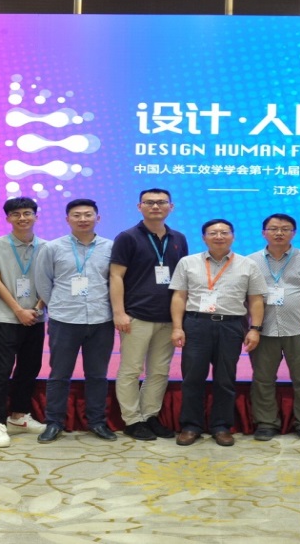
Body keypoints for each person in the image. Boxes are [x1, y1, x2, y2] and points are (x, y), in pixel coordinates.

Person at [169, 219, 267, 447]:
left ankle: (221, 426)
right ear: (204, 237)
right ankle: (191, 426)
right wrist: (177, 327)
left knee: (225, 379)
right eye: (213, 233)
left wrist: (255, 329)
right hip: (196, 324)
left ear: (233, 236)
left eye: (224, 232)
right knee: (192, 378)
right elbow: (179, 297)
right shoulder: (188, 262)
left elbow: (255, 299)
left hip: (231, 326)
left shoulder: (248, 265)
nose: (219, 236)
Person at [33, 199, 117, 443]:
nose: (82, 219)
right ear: (67, 219)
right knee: (59, 374)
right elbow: (42, 281)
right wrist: (57, 305)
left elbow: (115, 281)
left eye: (88, 214)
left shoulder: (111, 247)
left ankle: (97, 421)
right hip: (64, 319)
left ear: (97, 218)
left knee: (97, 375)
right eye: (77, 215)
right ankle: (54, 422)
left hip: (101, 319)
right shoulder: (52, 247)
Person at [110, 189, 188, 441]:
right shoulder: (127, 237)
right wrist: (119, 312)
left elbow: (182, 279)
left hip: (168, 317)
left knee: (159, 371)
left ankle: (149, 415)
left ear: (171, 207)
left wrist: (180, 319)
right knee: (131, 370)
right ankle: (132, 420)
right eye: (150, 202)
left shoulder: (178, 238)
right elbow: (116, 276)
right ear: (139, 206)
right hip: (137, 316)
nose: (156, 206)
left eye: (161, 202)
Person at [247, 214, 300, 444]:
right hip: (264, 329)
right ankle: (266, 423)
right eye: (273, 228)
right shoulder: (251, 261)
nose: (279, 233)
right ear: (263, 233)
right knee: (262, 379)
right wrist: (252, 327)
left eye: (285, 229)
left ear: (294, 232)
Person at [0, 197, 49, 447]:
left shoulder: (47, 247)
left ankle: (19, 416)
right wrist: (19, 310)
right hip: (4, 318)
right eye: (16, 214)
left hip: (35, 318)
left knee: (29, 369)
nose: (22, 218)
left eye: (27, 213)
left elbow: (50, 281)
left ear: (36, 216)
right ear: (8, 218)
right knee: (0, 372)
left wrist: (36, 309)